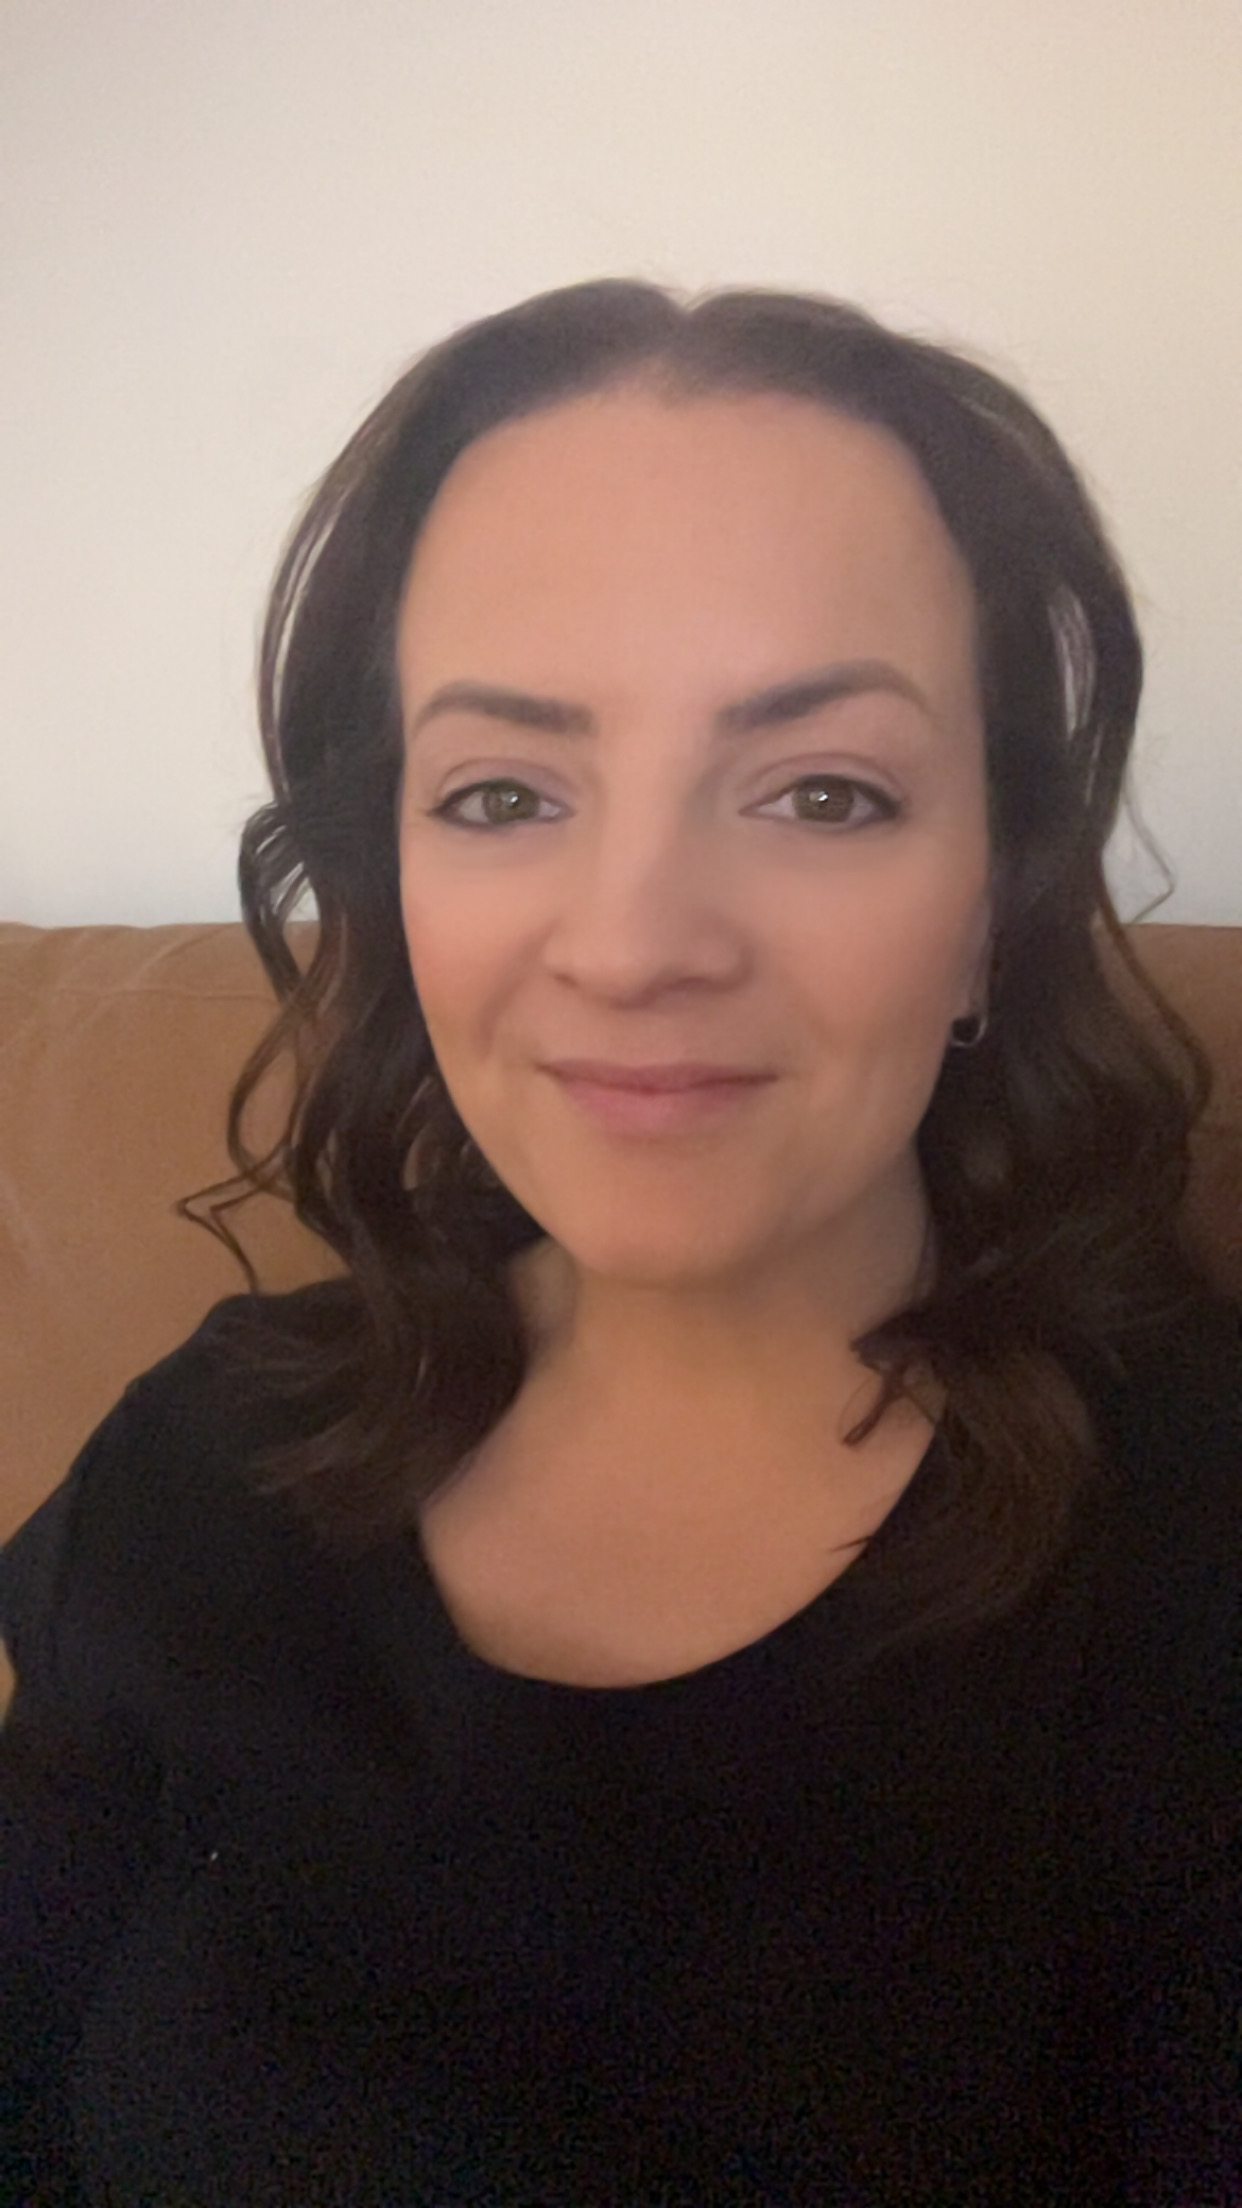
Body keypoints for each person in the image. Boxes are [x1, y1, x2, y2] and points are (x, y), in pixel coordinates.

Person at [2, 279, 1238, 2206]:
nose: (637, 937)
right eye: (504, 792)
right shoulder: (199, 1477)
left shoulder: (1200, 1561)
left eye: (820, 791)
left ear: (998, 892)